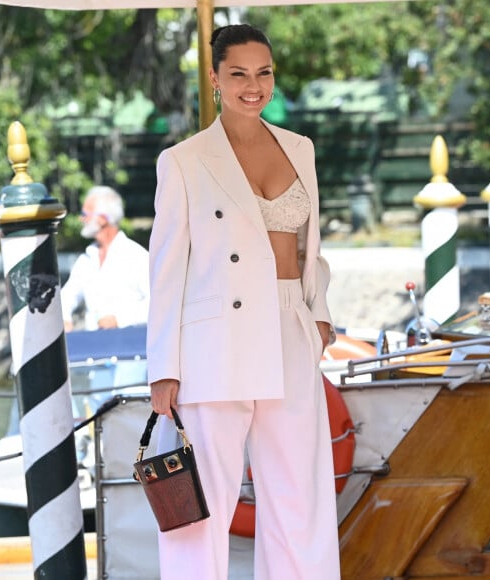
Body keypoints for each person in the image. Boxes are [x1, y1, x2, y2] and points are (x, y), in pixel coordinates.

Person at [147, 24, 341, 580]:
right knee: (202, 504)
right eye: (238, 74)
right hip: (214, 343)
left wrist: (319, 314)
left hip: (289, 329)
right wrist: (164, 367)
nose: (253, 86)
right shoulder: (182, 160)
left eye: (264, 73)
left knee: (299, 498)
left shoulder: (299, 148)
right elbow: (165, 269)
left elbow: (311, 248)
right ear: (214, 78)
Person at [61, 186, 149, 332]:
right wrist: (64, 318)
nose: (81, 218)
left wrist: (120, 319)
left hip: (130, 349)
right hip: (93, 349)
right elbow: (66, 297)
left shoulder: (135, 256)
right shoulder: (86, 259)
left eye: (85, 213)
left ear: (102, 219)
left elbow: (159, 304)